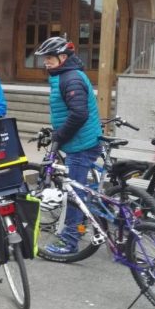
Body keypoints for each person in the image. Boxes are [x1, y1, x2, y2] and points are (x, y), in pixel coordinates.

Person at [35, 36, 102, 255]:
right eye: (45, 58)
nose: (46, 62)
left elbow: (79, 113)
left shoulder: (70, 78)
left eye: (49, 58)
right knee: (81, 187)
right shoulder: (63, 76)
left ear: (63, 57)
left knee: (74, 192)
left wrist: (60, 136)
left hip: (80, 143)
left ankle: (69, 239)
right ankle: (82, 225)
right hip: (79, 140)